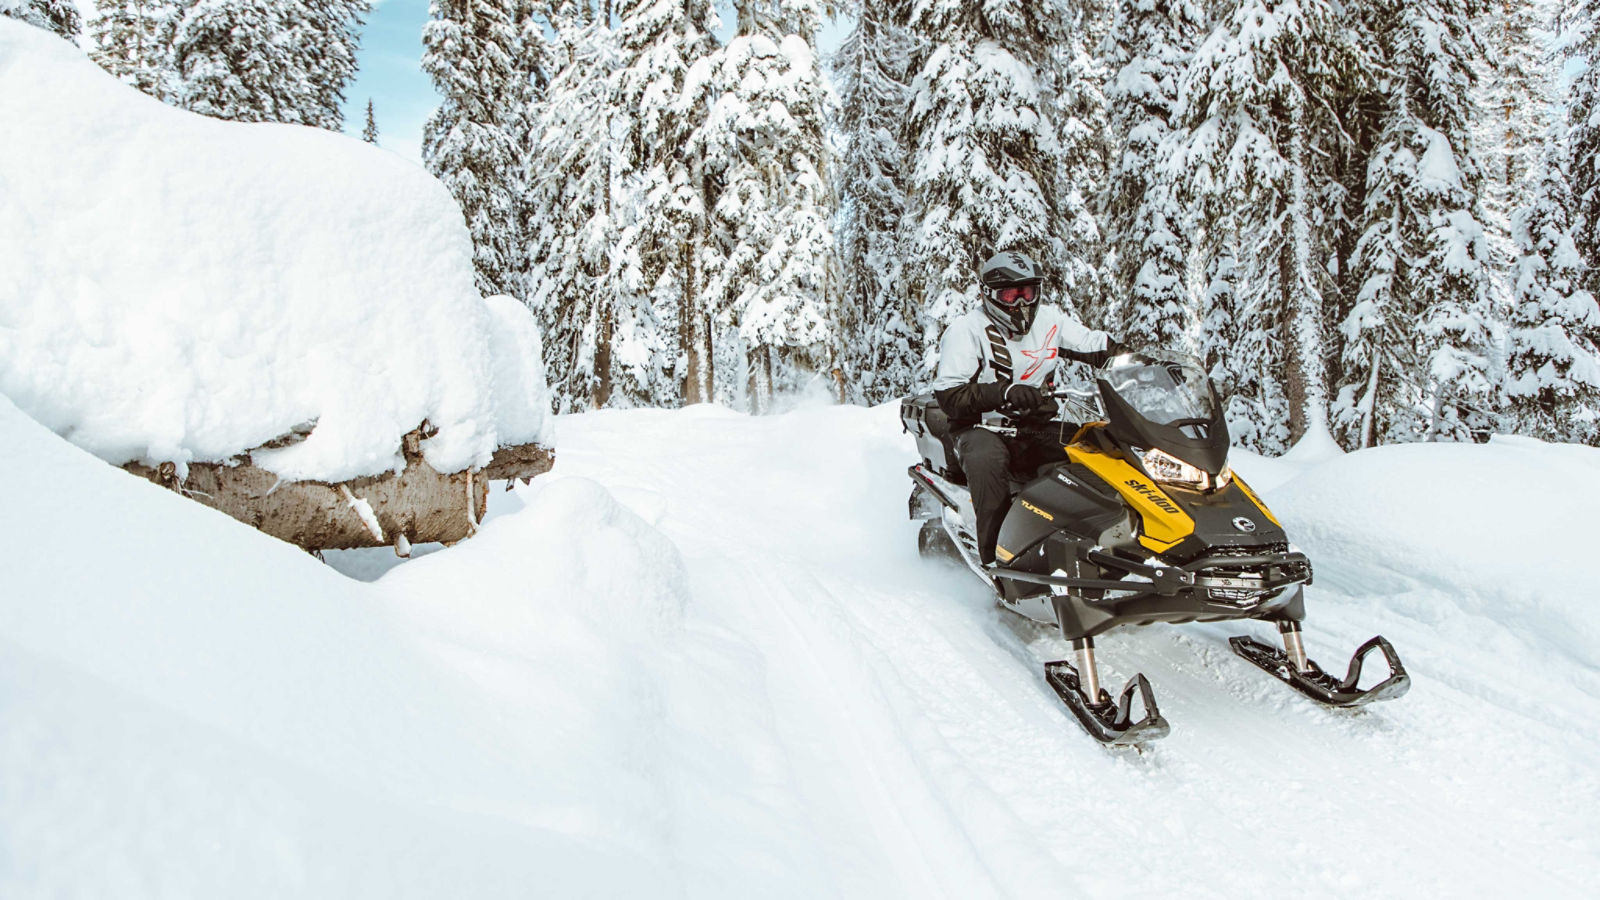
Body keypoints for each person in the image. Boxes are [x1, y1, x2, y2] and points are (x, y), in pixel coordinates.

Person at [931, 251, 1123, 566]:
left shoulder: (1049, 320)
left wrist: (1132, 357)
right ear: (990, 295)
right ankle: (996, 563)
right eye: (1011, 294)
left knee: (1098, 449)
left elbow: (1093, 344)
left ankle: (1105, 541)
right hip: (982, 429)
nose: (1021, 303)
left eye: (1028, 293)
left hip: (1035, 426)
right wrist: (1003, 392)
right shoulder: (967, 330)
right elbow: (950, 394)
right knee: (988, 462)